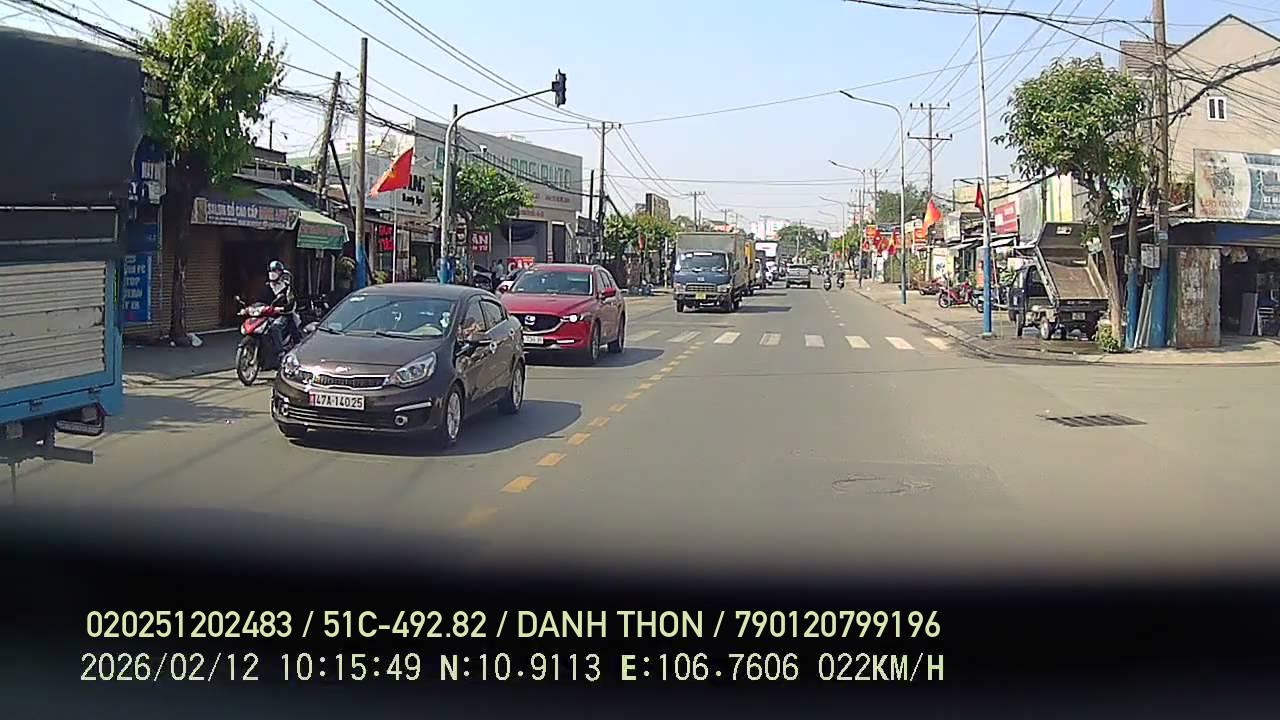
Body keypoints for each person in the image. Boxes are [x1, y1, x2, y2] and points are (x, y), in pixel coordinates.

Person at [262, 260, 299, 355]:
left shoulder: (286, 287)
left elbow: (291, 301)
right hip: (269, 313)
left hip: (283, 314)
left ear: (281, 272)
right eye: (272, 270)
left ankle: (280, 351)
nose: (273, 273)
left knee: (275, 327)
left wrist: (283, 308)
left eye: (276, 270)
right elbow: (260, 300)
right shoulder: (267, 286)